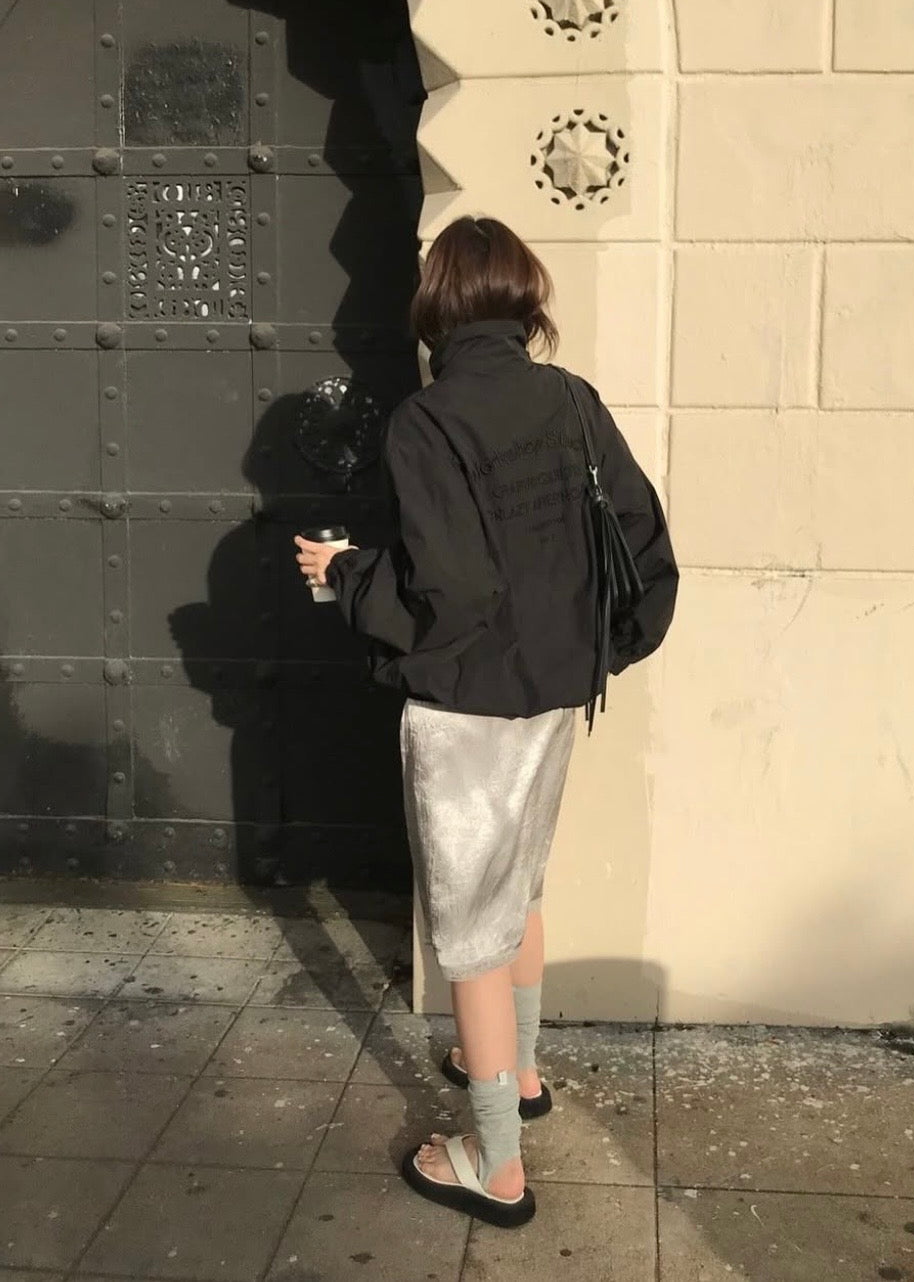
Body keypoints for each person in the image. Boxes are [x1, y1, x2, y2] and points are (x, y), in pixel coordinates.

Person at [294, 214, 677, 1227]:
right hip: (552, 696)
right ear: (521, 297)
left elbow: (449, 591)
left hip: (466, 711)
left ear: (438, 305)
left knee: (469, 931)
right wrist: (597, 650)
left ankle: (495, 1164)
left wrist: (346, 574)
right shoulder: (570, 399)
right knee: (519, 888)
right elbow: (639, 532)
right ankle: (519, 1072)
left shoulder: (426, 421)